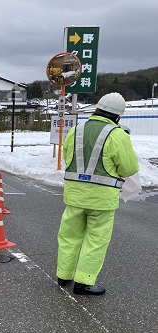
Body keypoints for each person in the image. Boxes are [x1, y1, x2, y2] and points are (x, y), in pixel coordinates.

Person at [57, 92, 139, 295]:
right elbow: (129, 168)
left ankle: (63, 275)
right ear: (118, 116)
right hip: (102, 199)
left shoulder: (76, 129)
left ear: (97, 108)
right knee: (96, 240)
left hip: (74, 194)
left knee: (69, 236)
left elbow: (68, 157)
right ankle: (83, 282)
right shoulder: (117, 134)